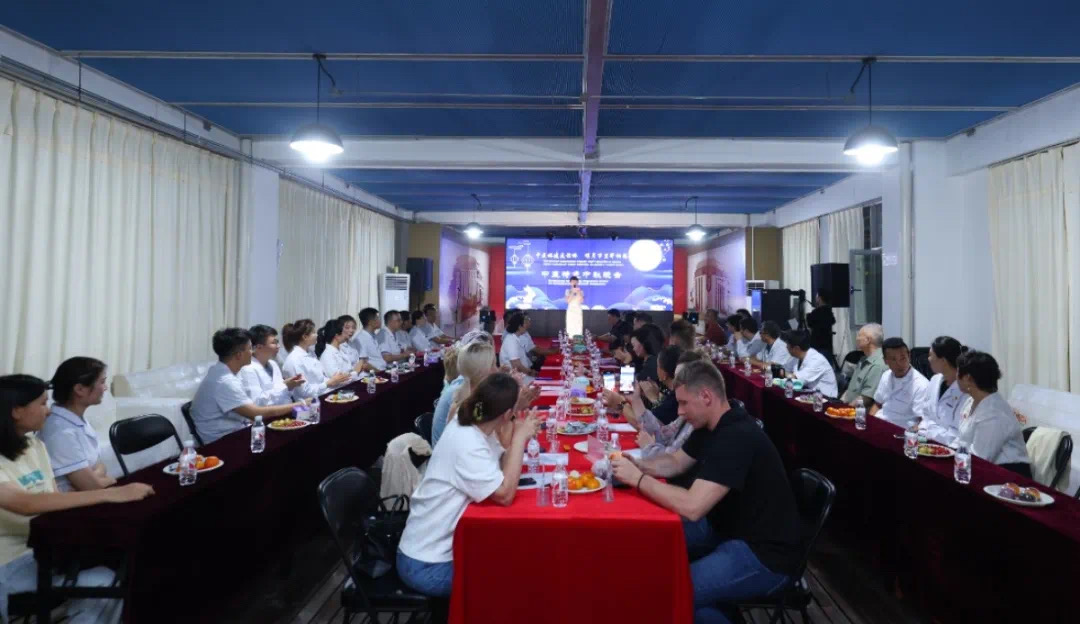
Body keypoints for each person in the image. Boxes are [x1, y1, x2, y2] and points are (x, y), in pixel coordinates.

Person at [610, 361, 801, 623]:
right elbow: (675, 462)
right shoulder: (713, 424)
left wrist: (639, 479)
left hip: (765, 555)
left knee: (672, 591)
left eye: (684, 403)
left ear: (706, 396)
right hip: (726, 529)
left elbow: (692, 506)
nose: (679, 411)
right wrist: (639, 465)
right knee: (646, 545)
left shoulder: (737, 436)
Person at [0, 374, 155, 624]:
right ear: (16, 411)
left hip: (45, 548)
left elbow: (52, 499)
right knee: (105, 581)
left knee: (127, 560)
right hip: (9, 562)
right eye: (42, 403)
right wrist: (110, 494)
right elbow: (24, 503)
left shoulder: (34, 445)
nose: (49, 411)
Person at [397, 374, 540, 597]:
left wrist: (515, 421)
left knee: (513, 557)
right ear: (505, 414)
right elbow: (505, 495)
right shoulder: (468, 441)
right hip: (427, 564)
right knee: (514, 575)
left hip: (431, 550)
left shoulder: (474, 421)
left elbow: (502, 464)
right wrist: (520, 438)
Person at [191, 328, 309, 444]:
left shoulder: (221, 371)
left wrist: (285, 386)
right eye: (250, 348)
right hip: (222, 442)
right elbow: (256, 413)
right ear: (239, 355)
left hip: (236, 431)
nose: (252, 352)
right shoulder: (225, 381)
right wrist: (301, 404)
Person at [40, 357, 115, 492]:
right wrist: (108, 479)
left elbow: (99, 464)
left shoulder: (75, 418)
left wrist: (95, 477)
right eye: (102, 382)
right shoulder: (60, 432)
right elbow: (91, 487)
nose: (105, 388)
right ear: (79, 389)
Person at [955, 351, 1031, 476]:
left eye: (958, 373)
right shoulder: (971, 401)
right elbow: (963, 440)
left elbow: (981, 459)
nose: (956, 377)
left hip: (1008, 475)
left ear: (968, 378)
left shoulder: (994, 414)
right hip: (973, 466)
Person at [869, 337, 932, 427]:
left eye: (902, 358)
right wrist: (870, 422)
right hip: (880, 423)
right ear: (885, 361)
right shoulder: (886, 375)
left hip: (900, 429)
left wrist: (910, 433)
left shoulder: (921, 385)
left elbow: (923, 421)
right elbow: (877, 404)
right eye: (893, 359)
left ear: (909, 356)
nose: (899, 364)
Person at [282, 319, 350, 399]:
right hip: (309, 402)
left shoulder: (310, 353)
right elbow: (304, 391)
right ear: (305, 337)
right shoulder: (294, 360)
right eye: (313, 332)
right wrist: (328, 383)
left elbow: (320, 378)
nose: (317, 335)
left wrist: (334, 380)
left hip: (323, 394)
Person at [919, 336, 969, 445]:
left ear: (943, 361)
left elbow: (957, 434)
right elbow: (926, 414)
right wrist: (922, 433)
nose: (928, 359)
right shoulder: (935, 380)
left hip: (950, 446)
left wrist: (931, 432)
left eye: (931, 355)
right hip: (927, 441)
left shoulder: (966, 390)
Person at [239, 325, 304, 407]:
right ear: (259, 347)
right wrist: (284, 386)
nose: (278, 346)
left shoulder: (273, 364)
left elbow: (283, 394)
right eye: (274, 343)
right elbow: (256, 402)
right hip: (268, 414)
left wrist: (291, 385)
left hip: (285, 409)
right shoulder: (248, 369)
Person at [841, 323, 887, 406]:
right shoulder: (864, 359)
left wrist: (845, 410)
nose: (856, 338)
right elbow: (851, 389)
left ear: (868, 340)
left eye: (859, 335)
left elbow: (865, 398)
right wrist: (839, 404)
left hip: (859, 412)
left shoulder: (877, 365)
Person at [783, 330, 838, 398]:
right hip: (808, 394)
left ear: (796, 348)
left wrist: (781, 372)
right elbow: (785, 369)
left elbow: (796, 380)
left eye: (787, 345)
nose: (786, 347)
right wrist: (781, 371)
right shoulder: (796, 356)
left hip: (825, 399)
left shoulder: (816, 360)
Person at [499, 313, 534, 382]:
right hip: (514, 379)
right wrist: (530, 372)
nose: (527, 325)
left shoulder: (515, 338)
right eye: (525, 323)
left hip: (520, 376)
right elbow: (516, 364)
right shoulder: (511, 340)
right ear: (519, 326)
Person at [806, 290, 836, 359]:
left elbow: (809, 324)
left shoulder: (816, 312)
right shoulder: (829, 311)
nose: (816, 298)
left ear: (820, 298)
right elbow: (833, 321)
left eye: (817, 296)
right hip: (827, 344)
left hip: (817, 344)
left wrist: (808, 316)